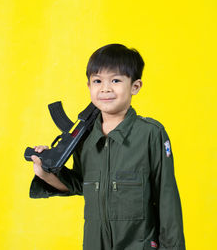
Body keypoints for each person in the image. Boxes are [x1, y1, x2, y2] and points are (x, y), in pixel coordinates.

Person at [30, 44, 186, 250]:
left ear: (135, 86)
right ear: (89, 87)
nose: (105, 88)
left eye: (115, 80)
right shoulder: (83, 139)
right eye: (97, 81)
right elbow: (79, 184)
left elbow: (167, 201)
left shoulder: (150, 134)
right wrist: (44, 172)